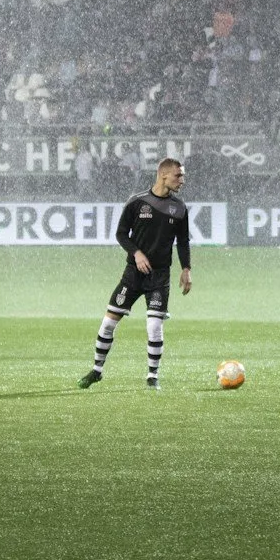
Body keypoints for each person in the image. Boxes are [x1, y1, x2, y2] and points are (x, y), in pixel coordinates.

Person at [79, 157, 194, 389]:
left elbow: (182, 241)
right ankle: (96, 370)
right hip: (133, 274)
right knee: (108, 322)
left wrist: (186, 269)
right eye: (178, 175)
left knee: (154, 326)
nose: (182, 180)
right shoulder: (137, 202)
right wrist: (137, 253)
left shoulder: (179, 208)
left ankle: (152, 376)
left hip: (159, 276)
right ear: (163, 175)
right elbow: (121, 234)